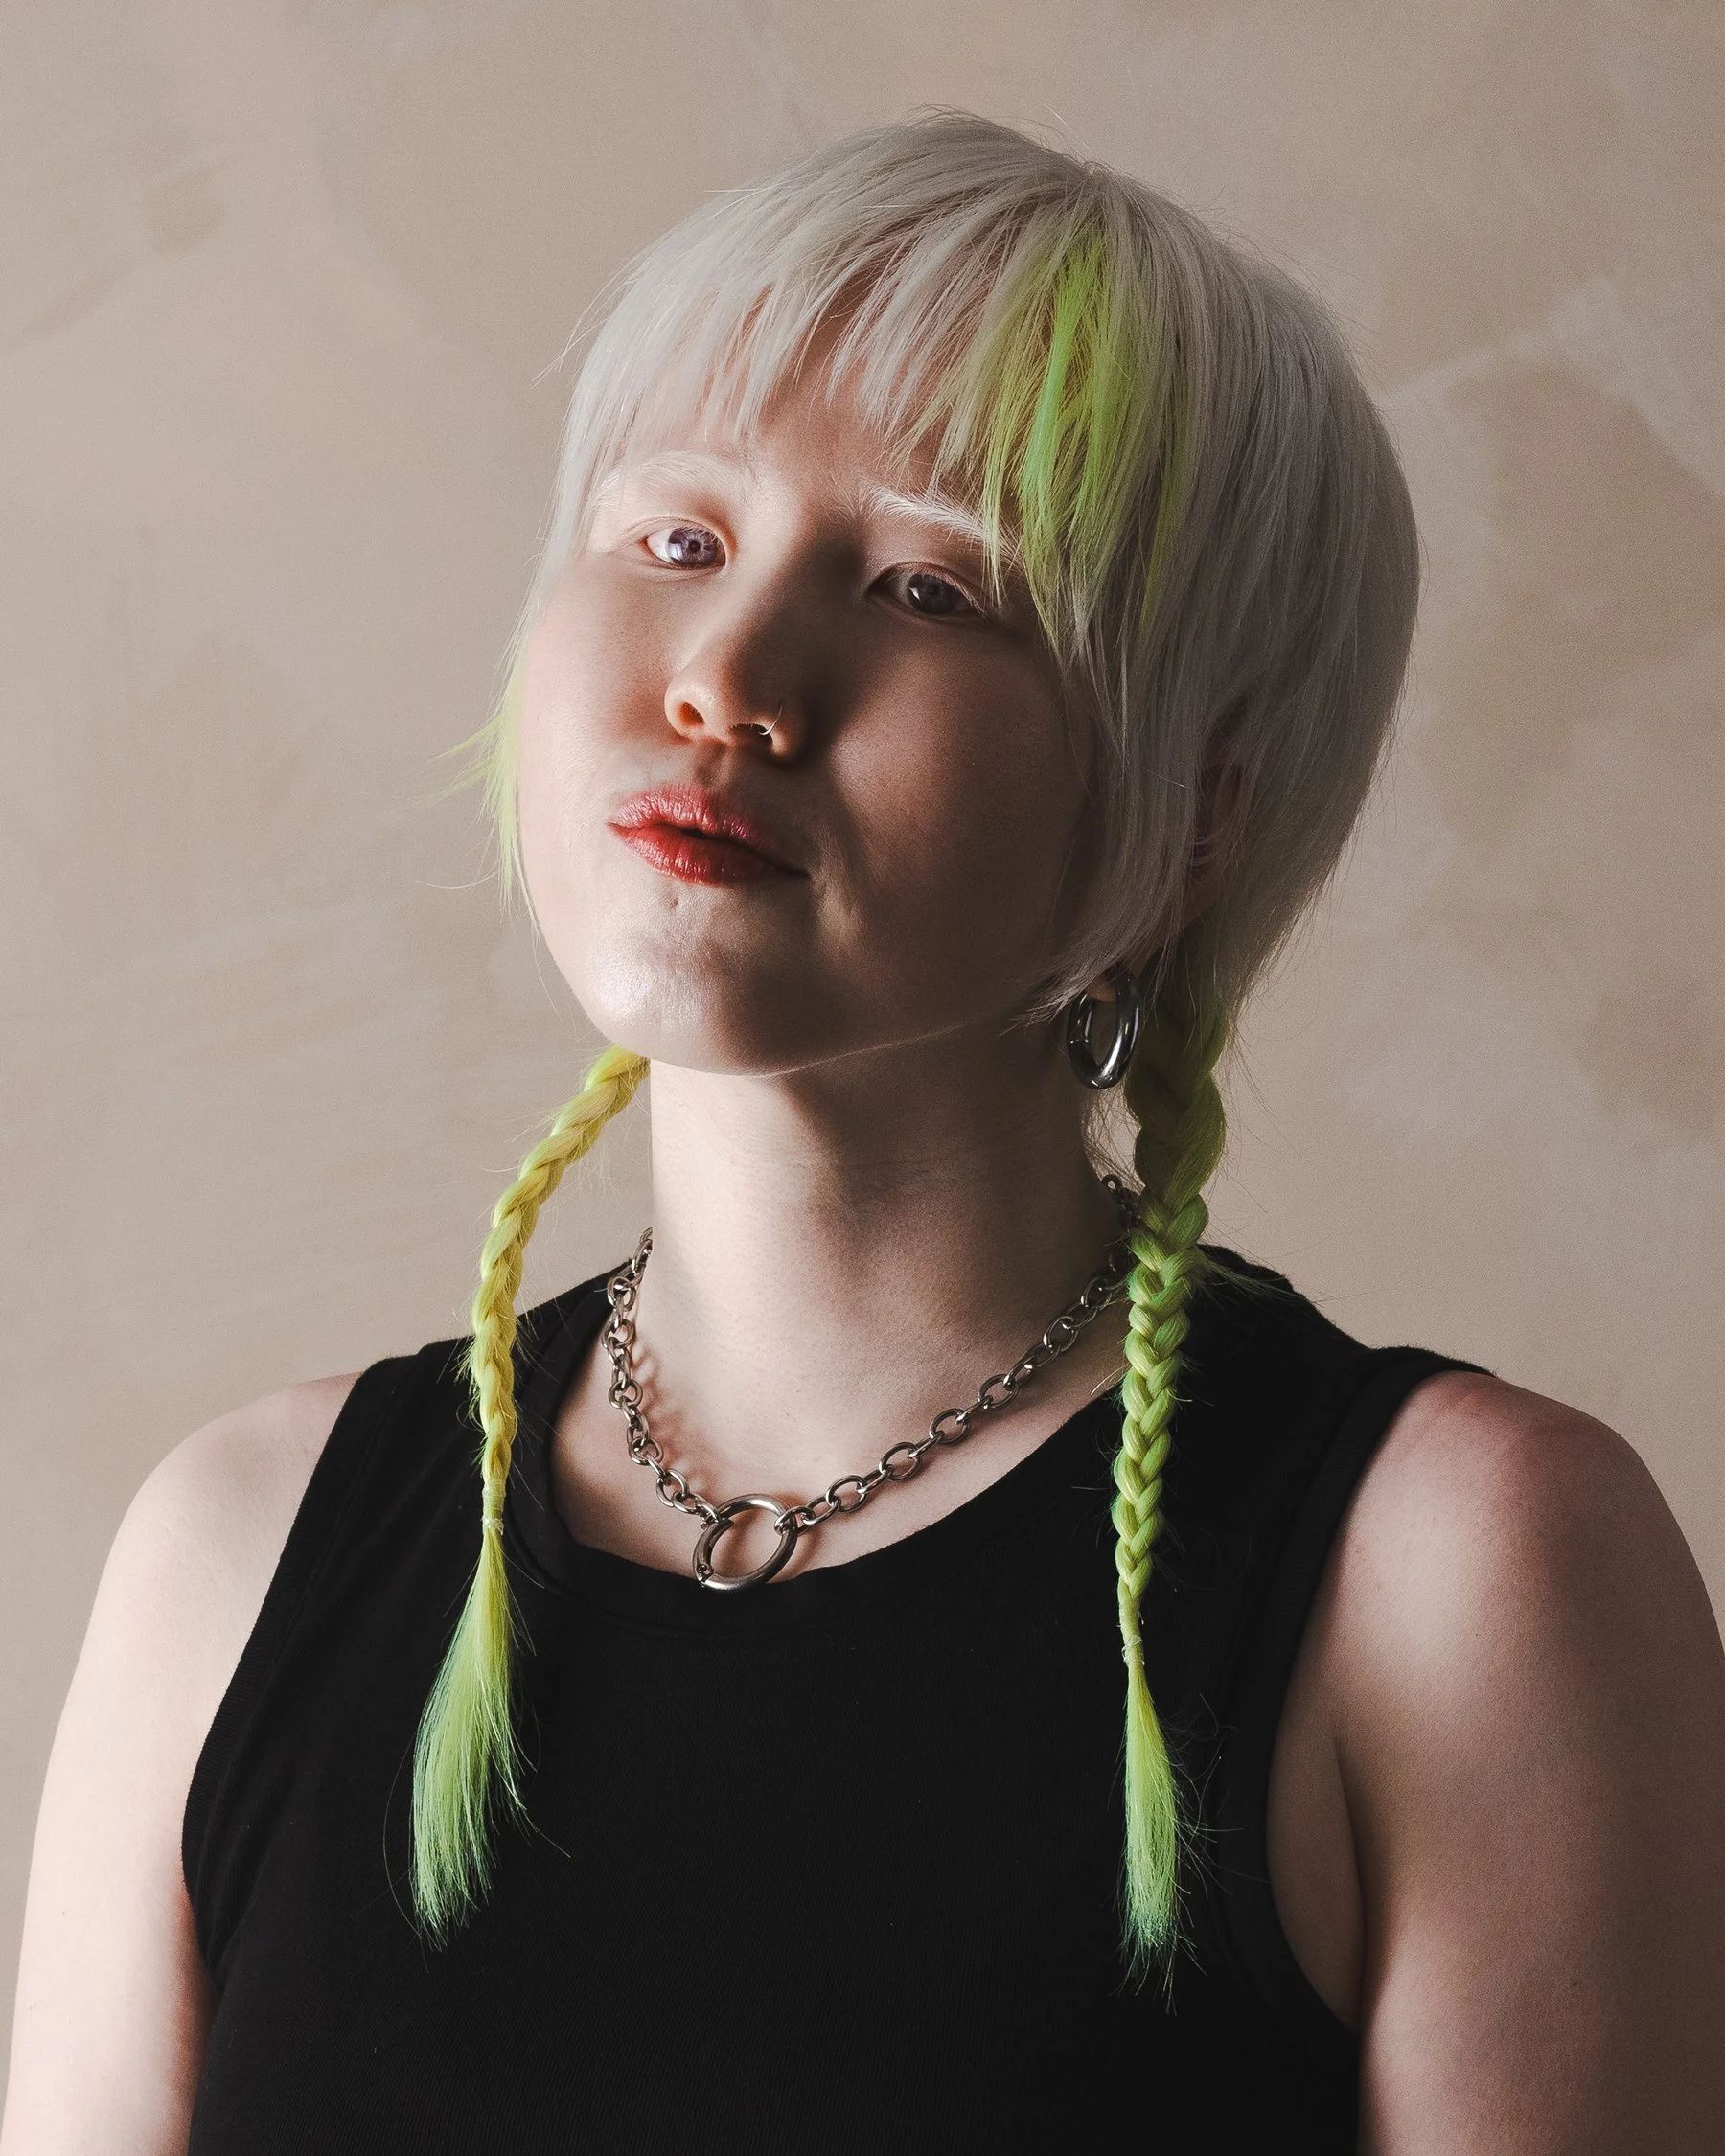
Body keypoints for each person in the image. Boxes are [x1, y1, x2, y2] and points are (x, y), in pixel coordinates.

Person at [5, 111, 1723, 2156]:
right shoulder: (239, 1547)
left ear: (1197, 815)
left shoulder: (1465, 1569)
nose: (730, 678)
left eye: (928, 586)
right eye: (675, 542)